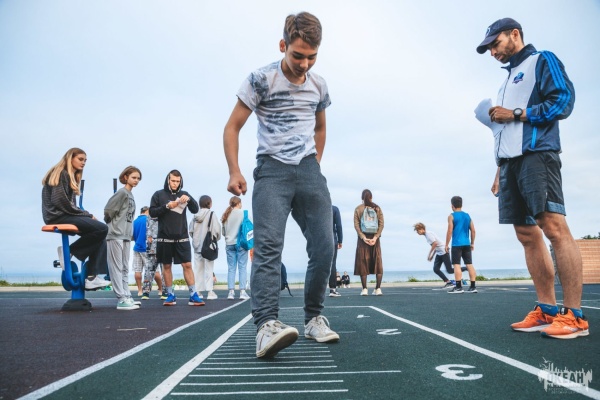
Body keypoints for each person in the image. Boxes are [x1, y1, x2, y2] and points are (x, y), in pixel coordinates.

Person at [223, 11, 339, 358]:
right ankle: (266, 326)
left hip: (308, 170)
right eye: (298, 55)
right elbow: (232, 127)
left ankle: (314, 318)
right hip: (271, 170)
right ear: (282, 45)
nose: (304, 64)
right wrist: (234, 171)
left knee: (325, 246)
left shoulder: (319, 85)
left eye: (312, 57)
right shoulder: (261, 80)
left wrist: (314, 165)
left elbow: (320, 127)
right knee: (269, 247)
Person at [477, 18, 588, 338]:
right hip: (510, 165)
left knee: (553, 227)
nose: (492, 52)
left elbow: (563, 101)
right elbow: (503, 130)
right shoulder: (506, 80)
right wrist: (500, 168)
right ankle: (547, 310)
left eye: (495, 44)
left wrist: (516, 113)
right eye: (488, 48)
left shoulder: (542, 60)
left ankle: (575, 316)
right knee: (526, 234)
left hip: (538, 156)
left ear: (515, 34)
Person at [42, 148, 111, 290]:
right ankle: (69, 251)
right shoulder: (62, 173)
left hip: (64, 214)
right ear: (70, 158)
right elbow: (61, 202)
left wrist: (85, 215)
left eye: (85, 160)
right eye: (80, 159)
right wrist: (87, 215)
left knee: (100, 236)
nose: (83, 162)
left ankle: (91, 278)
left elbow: (69, 205)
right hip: (58, 216)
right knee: (102, 228)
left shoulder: (69, 176)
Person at [148, 170, 204, 306]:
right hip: (164, 237)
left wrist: (189, 200)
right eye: (173, 181)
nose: (175, 183)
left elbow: (195, 209)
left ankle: (193, 295)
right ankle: (170, 295)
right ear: (168, 180)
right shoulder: (158, 194)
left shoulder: (184, 194)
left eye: (178, 181)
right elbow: (152, 212)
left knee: (187, 265)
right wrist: (167, 206)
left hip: (182, 237)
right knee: (166, 266)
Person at [104, 166, 142, 310]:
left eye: (138, 178)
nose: (136, 180)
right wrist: (113, 225)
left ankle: (126, 295)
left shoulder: (130, 195)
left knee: (125, 267)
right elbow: (108, 211)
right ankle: (121, 299)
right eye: (134, 177)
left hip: (126, 236)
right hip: (115, 234)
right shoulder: (121, 193)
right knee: (117, 267)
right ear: (126, 177)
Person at [190, 195, 222, 300]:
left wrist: (196, 239)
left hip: (197, 246)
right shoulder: (212, 214)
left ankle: (198, 292)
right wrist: (215, 239)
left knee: (198, 269)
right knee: (209, 269)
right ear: (209, 203)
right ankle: (210, 292)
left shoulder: (195, 216)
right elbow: (217, 230)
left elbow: (191, 231)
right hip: (208, 246)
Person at [414, 222, 463, 289]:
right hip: (439, 253)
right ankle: (448, 282)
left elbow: (435, 243)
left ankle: (467, 268)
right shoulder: (427, 235)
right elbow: (436, 245)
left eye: (418, 230)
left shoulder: (428, 234)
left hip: (444, 252)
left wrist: (429, 254)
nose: (417, 232)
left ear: (422, 229)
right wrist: (432, 255)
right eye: (417, 231)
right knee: (436, 269)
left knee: (450, 270)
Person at [354, 189, 384, 296]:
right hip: (375, 239)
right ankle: (378, 288)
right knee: (378, 262)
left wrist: (363, 237)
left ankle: (364, 289)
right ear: (371, 197)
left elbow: (356, 225)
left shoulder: (358, 209)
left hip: (363, 239)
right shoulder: (377, 208)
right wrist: (375, 237)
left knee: (363, 262)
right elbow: (381, 224)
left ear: (362, 198)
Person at [444, 196, 477, 294]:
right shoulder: (467, 216)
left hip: (456, 244)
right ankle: (473, 287)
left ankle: (458, 287)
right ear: (461, 205)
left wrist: (446, 244)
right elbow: (473, 230)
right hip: (467, 244)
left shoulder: (451, 216)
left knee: (456, 265)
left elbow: (449, 231)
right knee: (469, 264)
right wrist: (472, 243)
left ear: (452, 206)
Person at [221, 196, 249, 300]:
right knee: (242, 267)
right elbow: (249, 228)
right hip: (241, 243)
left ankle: (231, 292)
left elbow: (223, 232)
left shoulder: (226, 214)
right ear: (239, 203)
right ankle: (242, 292)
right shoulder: (244, 213)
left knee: (231, 268)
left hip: (229, 244)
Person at [141, 210, 164, 299]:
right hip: (161, 244)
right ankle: (166, 291)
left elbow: (148, 229)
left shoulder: (151, 214)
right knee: (164, 269)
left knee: (150, 269)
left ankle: (146, 291)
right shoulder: (165, 213)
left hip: (154, 244)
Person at [132, 206, 149, 296]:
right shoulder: (149, 220)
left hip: (137, 247)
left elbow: (131, 236)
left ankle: (140, 290)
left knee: (137, 270)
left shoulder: (134, 222)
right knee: (154, 270)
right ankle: (161, 290)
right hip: (147, 248)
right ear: (147, 211)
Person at [328, 205, 343, 297]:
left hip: (318, 240)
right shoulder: (334, 209)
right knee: (332, 264)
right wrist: (340, 240)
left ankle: (315, 291)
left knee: (316, 264)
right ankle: (332, 289)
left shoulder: (316, 207)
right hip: (332, 239)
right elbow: (339, 226)